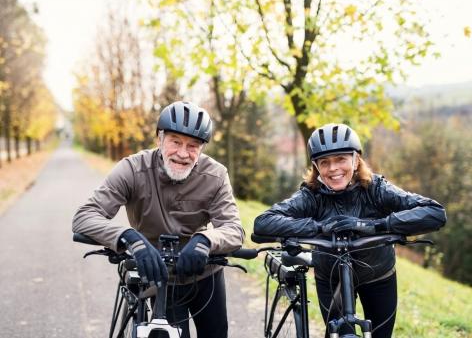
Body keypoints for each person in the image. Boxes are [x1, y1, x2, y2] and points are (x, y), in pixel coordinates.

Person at [253, 123, 446, 338]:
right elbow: (263, 222)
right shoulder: (311, 195)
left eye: (341, 159)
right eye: (324, 162)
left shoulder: (375, 188)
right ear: (316, 167)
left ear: (356, 160)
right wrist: (319, 227)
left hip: (378, 275)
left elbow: (434, 212)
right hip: (331, 277)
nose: (333, 168)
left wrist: (376, 225)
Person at [72, 101, 244, 338]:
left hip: (204, 273)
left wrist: (206, 239)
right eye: (175, 142)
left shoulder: (215, 175)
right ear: (159, 139)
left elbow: (234, 228)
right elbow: (84, 216)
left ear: (202, 149)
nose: (183, 153)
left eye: (193, 146)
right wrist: (129, 238)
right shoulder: (132, 169)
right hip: (157, 273)